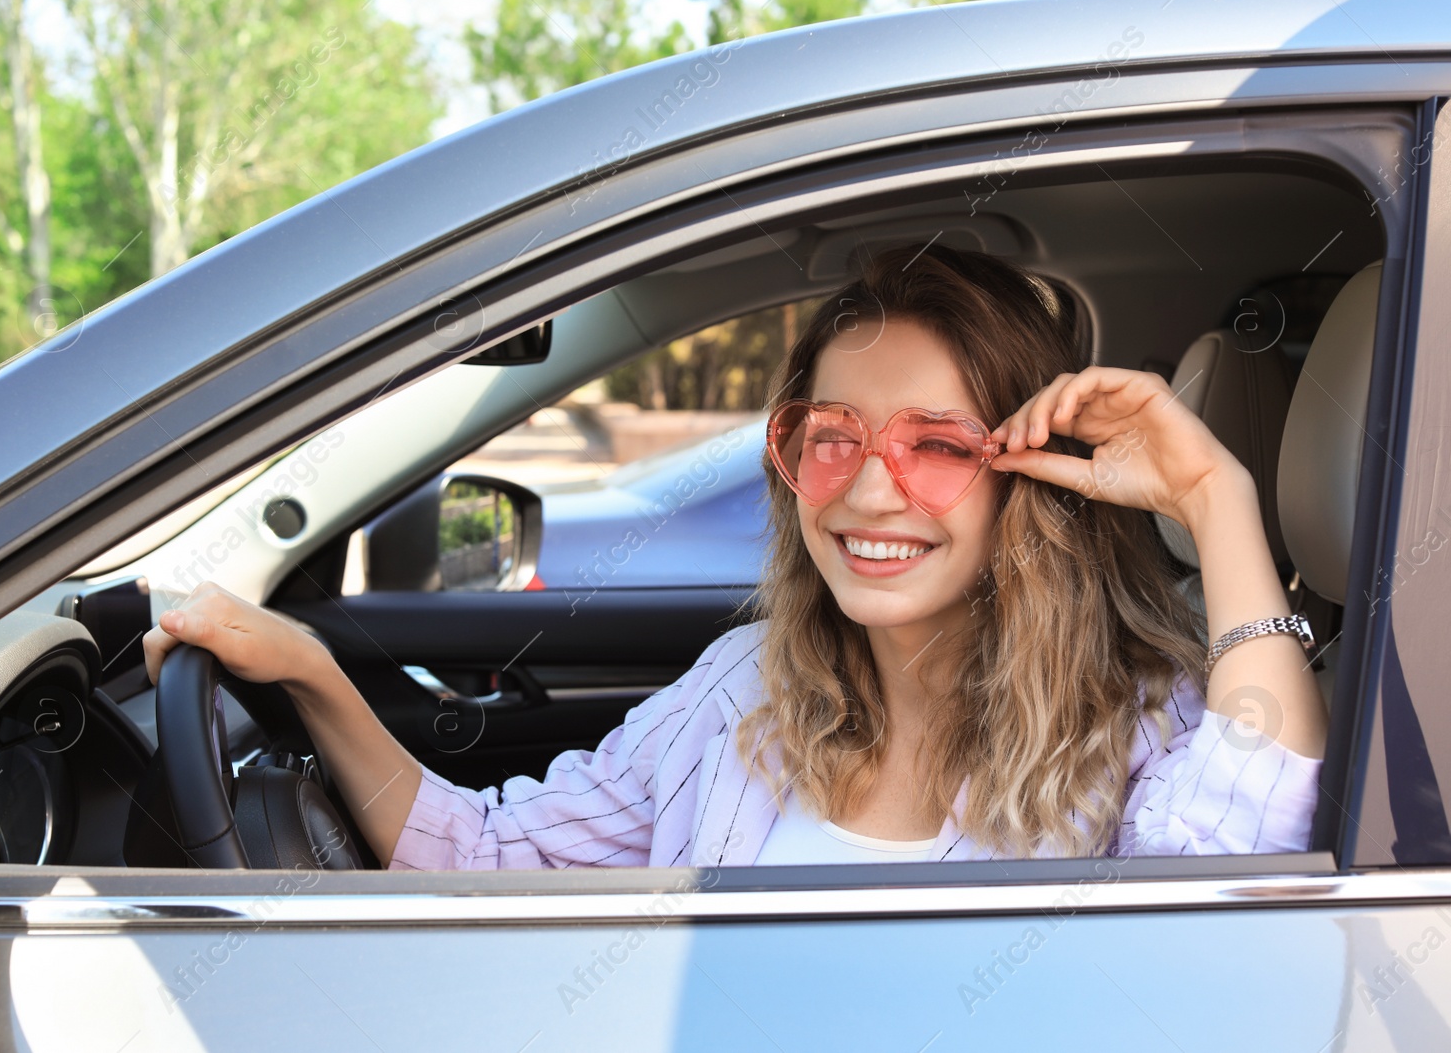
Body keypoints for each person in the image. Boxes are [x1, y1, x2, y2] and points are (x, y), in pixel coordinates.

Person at [142, 243, 1326, 868]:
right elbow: (486, 852)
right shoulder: (745, 690)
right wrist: (309, 671)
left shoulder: (1129, 724)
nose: (870, 486)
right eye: (833, 437)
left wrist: (1216, 498)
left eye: (937, 444)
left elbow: (1244, 864)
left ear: (1022, 473)